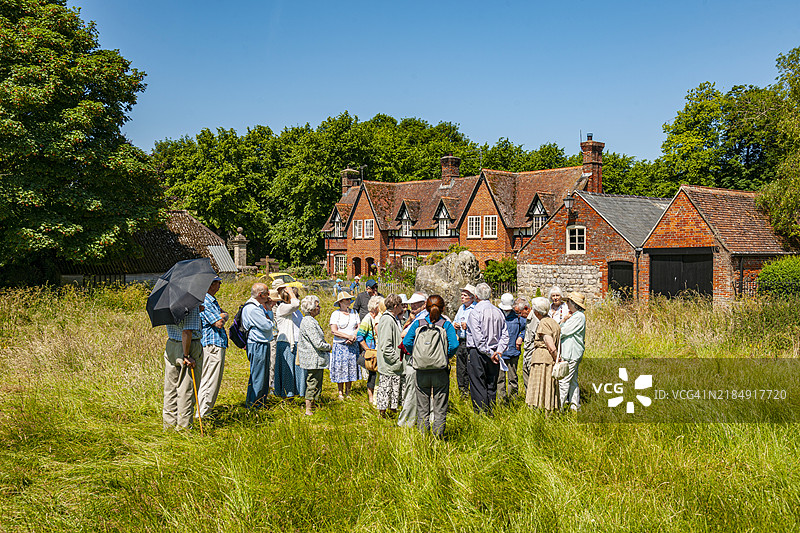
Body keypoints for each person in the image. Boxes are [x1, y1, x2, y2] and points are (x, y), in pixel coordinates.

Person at [403, 295, 459, 437]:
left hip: (421, 369)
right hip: (440, 370)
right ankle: (438, 438)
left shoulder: (418, 323)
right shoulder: (446, 325)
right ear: (443, 308)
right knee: (440, 407)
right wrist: (445, 356)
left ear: (426, 308)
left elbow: (407, 342)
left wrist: (416, 355)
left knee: (422, 408)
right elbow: (454, 344)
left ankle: (423, 438)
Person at [466, 283, 508, 414]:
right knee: (491, 383)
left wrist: (490, 352)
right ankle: (491, 409)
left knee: (478, 384)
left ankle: (482, 413)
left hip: (479, 352)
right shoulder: (498, 312)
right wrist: (498, 351)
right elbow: (505, 334)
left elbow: (478, 339)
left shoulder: (475, 312)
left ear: (476, 296)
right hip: (494, 351)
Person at [162, 303, 203, 429]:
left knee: (170, 388)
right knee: (186, 389)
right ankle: (184, 428)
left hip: (171, 344)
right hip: (187, 346)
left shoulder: (168, 302)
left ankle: (169, 425)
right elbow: (187, 331)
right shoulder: (190, 304)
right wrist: (186, 355)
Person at [198, 276, 228, 417]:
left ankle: (204, 410)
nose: (220, 286)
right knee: (210, 379)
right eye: (218, 283)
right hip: (212, 344)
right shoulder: (206, 300)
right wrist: (223, 315)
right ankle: (203, 413)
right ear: (211, 285)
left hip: (215, 343)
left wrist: (223, 315)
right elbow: (218, 322)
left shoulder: (210, 300)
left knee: (211, 378)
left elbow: (222, 315)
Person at [297, 295, 332, 416]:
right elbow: (317, 343)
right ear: (312, 308)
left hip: (314, 358)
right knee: (312, 383)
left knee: (316, 382)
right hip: (313, 358)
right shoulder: (309, 322)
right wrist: (329, 347)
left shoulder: (310, 320)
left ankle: (313, 405)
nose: (320, 307)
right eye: (317, 305)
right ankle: (308, 409)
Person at [242, 284, 276, 408]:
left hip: (262, 342)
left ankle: (259, 401)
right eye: (267, 294)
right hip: (257, 343)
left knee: (263, 374)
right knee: (258, 375)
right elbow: (268, 326)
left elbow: (269, 322)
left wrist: (268, 309)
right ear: (260, 295)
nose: (269, 297)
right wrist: (268, 317)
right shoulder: (253, 309)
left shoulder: (259, 307)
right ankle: (254, 404)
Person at [397, 291, 428, 427]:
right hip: (428, 360)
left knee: (411, 390)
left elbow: (405, 336)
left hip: (414, 358)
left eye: (416, 304)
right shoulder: (432, 317)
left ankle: (406, 422)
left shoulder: (420, 319)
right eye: (412, 304)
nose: (413, 306)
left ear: (424, 304)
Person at [525, 297, 561, 410]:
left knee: (540, 385)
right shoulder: (552, 321)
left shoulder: (544, 324)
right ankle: (547, 410)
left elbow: (550, 344)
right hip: (547, 358)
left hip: (542, 358)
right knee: (548, 386)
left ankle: (541, 411)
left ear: (536, 312)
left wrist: (557, 358)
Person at [375, 294, 405, 417]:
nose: (403, 308)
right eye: (401, 305)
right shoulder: (387, 320)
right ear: (396, 306)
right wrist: (397, 360)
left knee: (392, 391)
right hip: (389, 365)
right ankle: (383, 416)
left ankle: (391, 414)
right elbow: (386, 345)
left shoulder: (391, 318)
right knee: (386, 390)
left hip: (391, 365)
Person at [273, 284, 304, 399]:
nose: (297, 298)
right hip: (286, 342)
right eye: (295, 296)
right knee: (288, 370)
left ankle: (297, 393)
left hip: (296, 342)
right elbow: (295, 304)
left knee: (297, 369)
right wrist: (290, 292)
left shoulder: (296, 310)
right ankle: (287, 394)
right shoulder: (282, 307)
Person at [329, 291, 361, 400]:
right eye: (347, 299)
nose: (349, 301)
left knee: (350, 367)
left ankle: (348, 391)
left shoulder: (354, 312)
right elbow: (334, 331)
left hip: (352, 344)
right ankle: (340, 392)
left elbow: (358, 326)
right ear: (341, 302)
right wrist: (347, 336)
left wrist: (353, 336)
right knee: (340, 368)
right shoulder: (335, 314)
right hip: (340, 345)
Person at [559, 292, 587, 411]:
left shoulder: (578, 317)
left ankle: (558, 408)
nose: (566, 304)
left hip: (571, 353)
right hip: (572, 352)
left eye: (568, 302)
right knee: (572, 380)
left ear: (573, 304)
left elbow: (563, 331)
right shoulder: (575, 316)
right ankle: (574, 405)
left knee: (564, 381)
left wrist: (561, 323)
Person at [497, 293, 526, 402]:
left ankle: (513, 400)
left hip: (513, 351)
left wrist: (520, 337)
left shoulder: (518, 317)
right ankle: (501, 401)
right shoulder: (498, 314)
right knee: (500, 378)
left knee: (512, 378)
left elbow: (524, 328)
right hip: (500, 352)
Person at [356, 295, 384, 406]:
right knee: (372, 374)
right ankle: (371, 399)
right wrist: (368, 350)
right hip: (372, 351)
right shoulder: (368, 318)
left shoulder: (378, 317)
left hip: (377, 350)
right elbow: (359, 336)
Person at [452, 284, 476, 397]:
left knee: (470, 367)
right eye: (461, 295)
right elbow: (455, 320)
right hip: (461, 340)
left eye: (465, 295)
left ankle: (471, 391)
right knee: (461, 368)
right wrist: (455, 325)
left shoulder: (475, 309)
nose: (462, 297)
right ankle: (462, 391)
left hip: (471, 342)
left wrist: (468, 326)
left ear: (472, 297)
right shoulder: (461, 308)